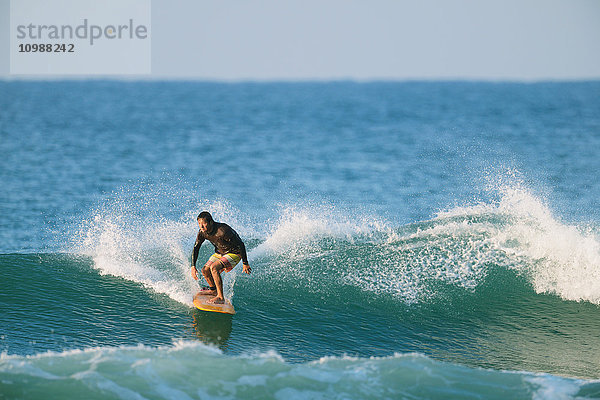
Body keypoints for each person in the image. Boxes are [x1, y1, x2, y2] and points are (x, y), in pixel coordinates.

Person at [191, 211, 251, 304]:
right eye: (199, 224)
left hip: (234, 253)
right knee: (205, 270)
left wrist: (245, 263)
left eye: (204, 224)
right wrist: (193, 266)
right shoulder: (202, 232)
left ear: (211, 222)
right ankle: (213, 290)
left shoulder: (223, 231)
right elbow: (196, 247)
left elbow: (240, 244)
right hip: (220, 252)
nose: (201, 227)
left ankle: (220, 297)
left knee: (214, 267)